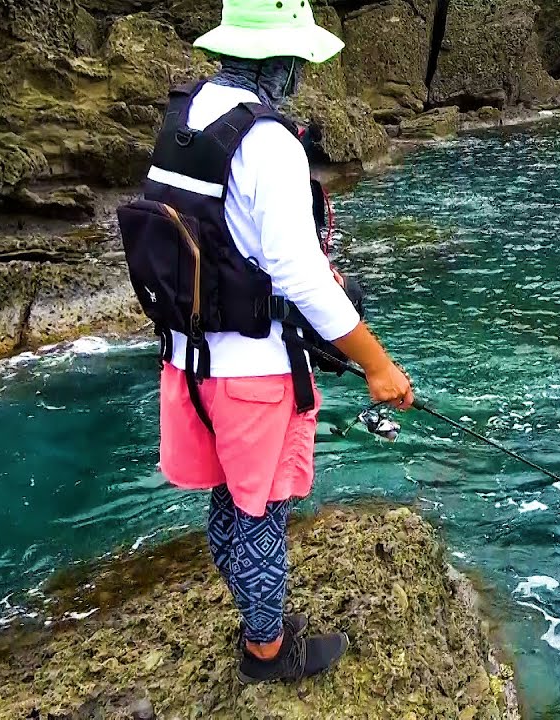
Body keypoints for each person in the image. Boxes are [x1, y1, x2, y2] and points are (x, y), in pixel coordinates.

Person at [131, 0, 414, 684]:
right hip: (254, 376)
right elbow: (301, 275)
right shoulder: (271, 143)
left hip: (186, 362)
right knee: (262, 515)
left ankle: (257, 619)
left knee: (229, 501)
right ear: (278, 62)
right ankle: (267, 650)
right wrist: (377, 365)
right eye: (296, 63)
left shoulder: (186, 118)